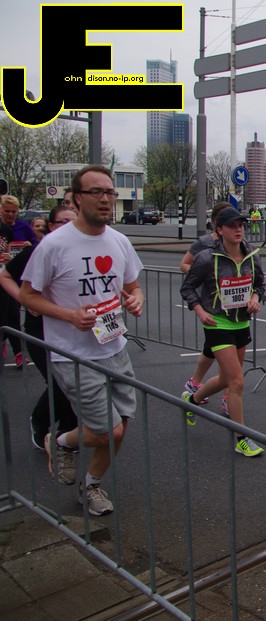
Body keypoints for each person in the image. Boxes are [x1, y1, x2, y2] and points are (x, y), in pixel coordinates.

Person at [20, 164, 145, 516]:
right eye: (96, 192)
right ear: (76, 199)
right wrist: (70, 316)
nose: (105, 198)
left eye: (109, 192)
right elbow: (28, 296)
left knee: (121, 427)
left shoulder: (119, 241)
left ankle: (90, 485)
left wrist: (136, 300)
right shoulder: (54, 245)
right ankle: (59, 440)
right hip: (72, 354)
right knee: (109, 431)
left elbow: (134, 287)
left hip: (115, 346)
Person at [180, 206, 266, 457]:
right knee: (237, 382)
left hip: (241, 323)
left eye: (241, 225)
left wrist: (255, 298)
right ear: (220, 230)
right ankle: (241, 438)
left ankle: (192, 400)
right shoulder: (207, 258)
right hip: (217, 324)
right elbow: (188, 288)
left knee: (227, 379)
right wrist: (199, 311)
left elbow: (260, 285)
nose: (238, 230)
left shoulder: (252, 256)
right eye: (232, 226)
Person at [0, 204, 79, 449]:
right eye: (63, 222)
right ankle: (40, 421)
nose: (69, 227)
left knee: (76, 382)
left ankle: (67, 434)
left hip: (73, 328)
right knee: (60, 382)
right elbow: (5, 276)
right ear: (51, 226)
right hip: (42, 328)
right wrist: (25, 299)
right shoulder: (38, 251)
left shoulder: (83, 252)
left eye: (73, 221)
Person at [179, 202, 235, 413]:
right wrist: (206, 275)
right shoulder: (204, 243)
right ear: (217, 224)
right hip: (211, 305)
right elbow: (184, 264)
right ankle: (225, 396)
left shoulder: (237, 243)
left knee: (212, 350)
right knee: (222, 354)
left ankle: (195, 384)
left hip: (233, 308)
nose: (236, 227)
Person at [1, 194, 38, 368]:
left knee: (13, 313)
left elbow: (34, 244)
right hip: (4, 275)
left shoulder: (21, 227)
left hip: (15, 275)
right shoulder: (3, 228)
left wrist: (27, 247)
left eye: (13, 211)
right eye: (6, 211)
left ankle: (18, 351)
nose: (10, 214)